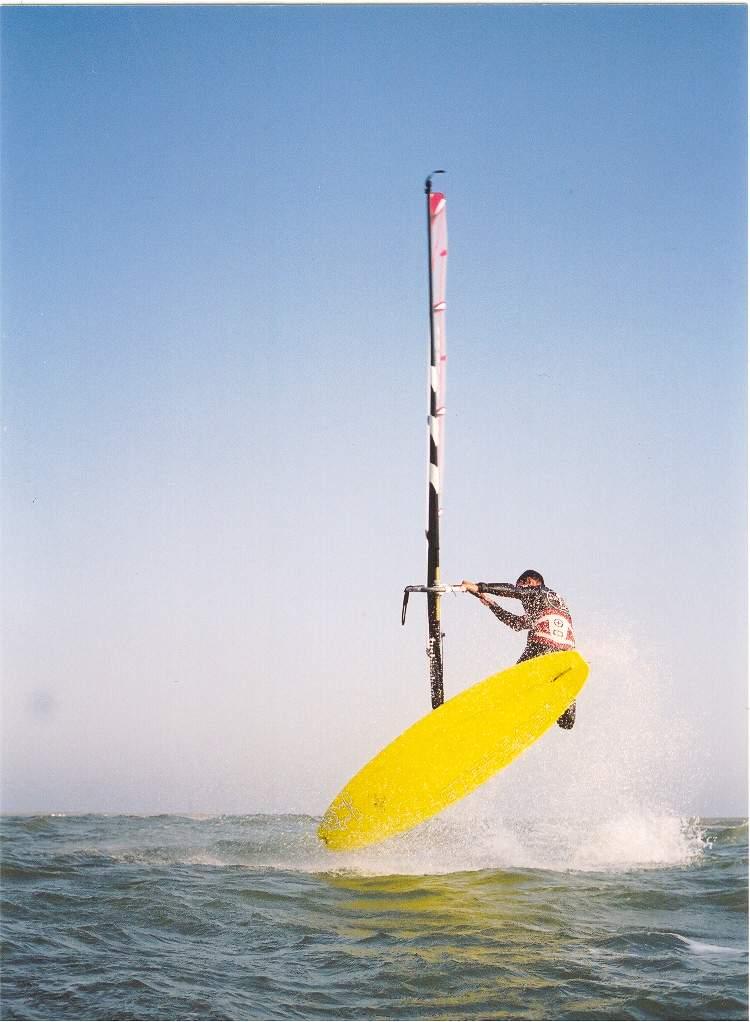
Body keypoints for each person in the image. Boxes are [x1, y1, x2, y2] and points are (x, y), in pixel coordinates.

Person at [461, 570, 577, 729]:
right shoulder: (550, 604)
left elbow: (515, 591)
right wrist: (491, 604)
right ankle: (560, 708)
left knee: (512, 690)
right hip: (566, 656)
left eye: (521, 585)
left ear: (530, 581)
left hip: (542, 647)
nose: (523, 602)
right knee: (566, 722)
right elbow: (516, 623)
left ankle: (499, 717)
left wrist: (479, 587)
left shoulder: (540, 591)